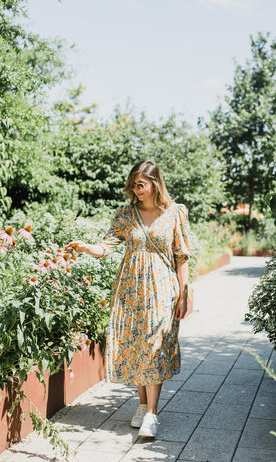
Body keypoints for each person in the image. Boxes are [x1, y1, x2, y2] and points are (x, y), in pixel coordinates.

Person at [65, 160, 190, 438]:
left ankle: (151, 415)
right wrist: (86, 247)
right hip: (130, 290)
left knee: (154, 345)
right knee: (137, 346)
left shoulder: (174, 214)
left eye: (141, 185)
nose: (137, 190)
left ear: (155, 184)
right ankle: (143, 403)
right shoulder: (125, 214)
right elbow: (105, 247)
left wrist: (185, 294)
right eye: (134, 185)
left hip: (162, 290)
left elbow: (182, 258)